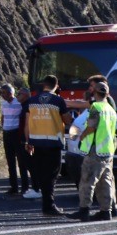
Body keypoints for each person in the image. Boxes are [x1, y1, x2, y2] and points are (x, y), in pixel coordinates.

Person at [24, 76, 72, 217]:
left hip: (36, 143)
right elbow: (67, 119)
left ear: (43, 85)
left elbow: (27, 124)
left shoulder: (31, 101)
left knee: (42, 175)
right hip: (53, 143)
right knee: (52, 176)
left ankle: (47, 205)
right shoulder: (58, 100)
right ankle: (49, 206)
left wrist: (28, 141)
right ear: (56, 86)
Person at [76, 79, 117, 221]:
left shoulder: (96, 107)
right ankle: (106, 210)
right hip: (108, 150)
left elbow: (91, 127)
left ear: (94, 92)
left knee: (88, 180)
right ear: (107, 94)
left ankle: (84, 209)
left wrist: (82, 136)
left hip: (94, 150)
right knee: (105, 181)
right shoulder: (111, 110)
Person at [0, 82, 26, 195]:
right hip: (7, 133)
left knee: (21, 161)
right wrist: (3, 127)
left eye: (4, 93)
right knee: (10, 161)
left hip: (16, 134)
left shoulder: (19, 103)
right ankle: (14, 187)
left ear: (10, 93)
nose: (2, 95)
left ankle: (25, 187)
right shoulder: (3, 104)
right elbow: (3, 116)